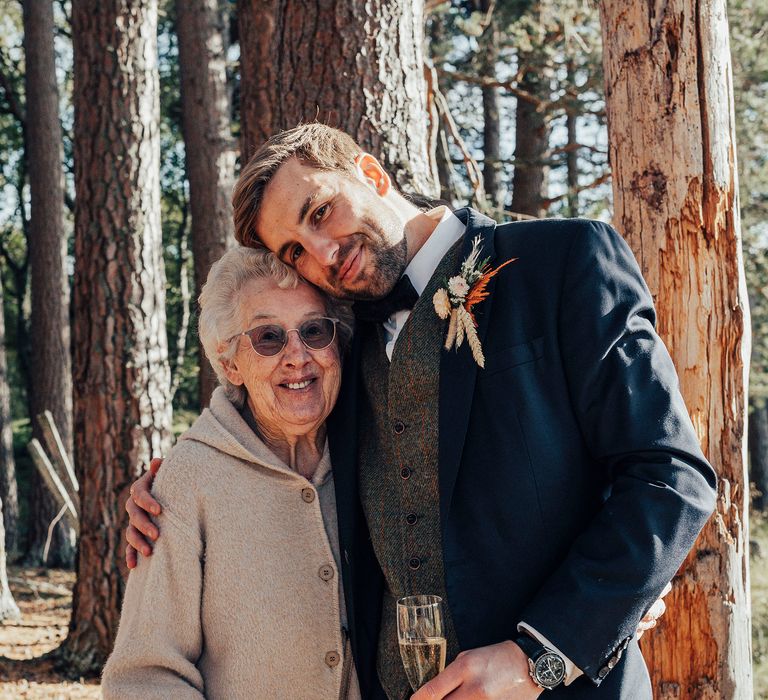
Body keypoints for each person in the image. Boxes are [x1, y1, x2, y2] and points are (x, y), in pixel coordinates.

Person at [126, 124, 717, 699]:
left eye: (320, 211)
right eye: (295, 251)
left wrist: (542, 654)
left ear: (371, 172)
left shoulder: (563, 262)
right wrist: (173, 486)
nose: (324, 254)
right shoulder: (337, 341)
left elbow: (670, 476)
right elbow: (266, 398)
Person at [103, 246, 360, 699]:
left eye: (315, 330)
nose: (298, 356)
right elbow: (143, 677)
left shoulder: (377, 455)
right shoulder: (187, 480)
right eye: (268, 338)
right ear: (229, 364)